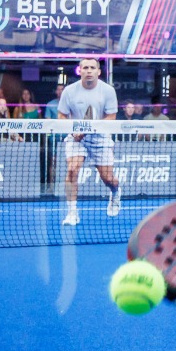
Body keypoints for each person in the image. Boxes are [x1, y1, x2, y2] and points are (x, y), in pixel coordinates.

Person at [57, 59, 122, 226]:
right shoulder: (69, 91)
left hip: (101, 137)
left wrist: (88, 129)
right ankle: (72, 213)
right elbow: (62, 115)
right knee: (72, 170)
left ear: (98, 72)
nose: (89, 70)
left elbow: (111, 117)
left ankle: (115, 192)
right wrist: (73, 131)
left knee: (108, 179)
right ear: (80, 71)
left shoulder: (108, 91)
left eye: (92, 68)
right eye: (85, 67)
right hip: (76, 137)